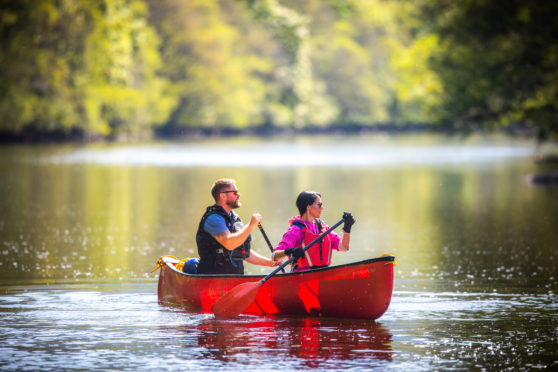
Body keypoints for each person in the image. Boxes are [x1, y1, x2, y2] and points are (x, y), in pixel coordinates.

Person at [196, 178, 279, 275]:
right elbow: (229, 243)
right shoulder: (213, 218)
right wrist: (250, 226)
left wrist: (269, 263)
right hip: (212, 279)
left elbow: (243, 252)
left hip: (235, 279)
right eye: (235, 192)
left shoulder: (234, 217)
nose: (238, 194)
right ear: (223, 196)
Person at [272, 190, 355, 272]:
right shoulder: (295, 230)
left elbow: (344, 247)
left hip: (323, 275)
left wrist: (347, 229)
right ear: (308, 207)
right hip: (302, 278)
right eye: (319, 205)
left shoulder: (323, 227)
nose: (322, 208)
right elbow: (274, 256)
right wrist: (290, 251)